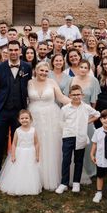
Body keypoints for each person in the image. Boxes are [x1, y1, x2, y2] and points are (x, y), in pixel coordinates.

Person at [0, 40, 32, 187]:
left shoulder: (27, 67)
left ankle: (16, 172)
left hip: (19, 112)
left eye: (16, 50)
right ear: (7, 51)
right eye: (11, 50)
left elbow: (28, 87)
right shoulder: (0, 67)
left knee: (18, 143)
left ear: (20, 51)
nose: (13, 52)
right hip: (2, 111)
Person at [28, 61, 71, 190]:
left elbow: (62, 98)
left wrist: (75, 102)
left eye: (46, 71)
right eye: (41, 70)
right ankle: (34, 176)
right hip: (33, 117)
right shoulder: (29, 83)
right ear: (36, 70)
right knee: (34, 143)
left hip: (51, 117)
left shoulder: (52, 83)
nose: (44, 73)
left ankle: (52, 175)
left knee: (51, 145)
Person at [55, 84, 100, 194]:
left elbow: (97, 114)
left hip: (80, 137)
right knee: (66, 160)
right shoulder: (65, 108)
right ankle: (64, 183)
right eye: (74, 95)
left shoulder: (86, 107)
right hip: (68, 136)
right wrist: (65, 130)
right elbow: (60, 122)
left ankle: (76, 183)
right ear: (70, 95)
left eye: (78, 94)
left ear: (82, 95)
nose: (76, 97)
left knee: (78, 160)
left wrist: (87, 122)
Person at [0, 109, 42, 196]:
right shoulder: (18, 131)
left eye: (26, 118)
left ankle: (29, 186)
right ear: (19, 120)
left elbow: (36, 143)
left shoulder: (33, 130)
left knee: (30, 170)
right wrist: (13, 155)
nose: (24, 120)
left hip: (30, 152)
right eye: (22, 118)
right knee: (19, 169)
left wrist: (37, 155)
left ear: (30, 119)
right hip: (20, 152)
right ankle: (18, 185)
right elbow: (14, 144)